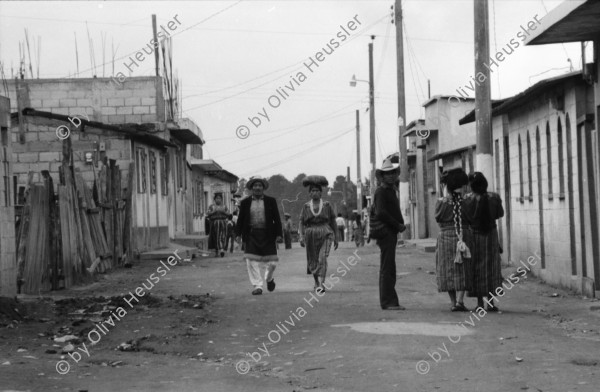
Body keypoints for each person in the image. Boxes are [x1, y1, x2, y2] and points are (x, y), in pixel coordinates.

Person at [464, 172, 505, 312]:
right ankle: (492, 302)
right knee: (492, 266)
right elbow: (500, 214)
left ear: (471, 186)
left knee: (476, 267)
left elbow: (465, 218)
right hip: (491, 234)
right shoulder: (494, 197)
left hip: (474, 235)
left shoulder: (467, 199)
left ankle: (480, 303)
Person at [235, 176, 283, 295]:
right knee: (251, 260)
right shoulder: (245, 202)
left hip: (268, 234)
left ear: (263, 188)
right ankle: (258, 285)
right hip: (251, 234)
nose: (257, 188)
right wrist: (237, 234)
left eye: (259, 185)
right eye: (255, 185)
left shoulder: (270, 201)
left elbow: (277, 219)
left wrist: (279, 234)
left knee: (272, 263)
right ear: (251, 188)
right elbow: (240, 219)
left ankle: (269, 279)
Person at [435, 167, 472, 312]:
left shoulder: (441, 203)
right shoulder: (467, 202)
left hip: (445, 237)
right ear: (462, 186)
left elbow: (437, 218)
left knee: (448, 269)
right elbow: (471, 218)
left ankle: (452, 302)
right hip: (463, 236)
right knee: (464, 268)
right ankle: (460, 301)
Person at [373, 158, 406, 310]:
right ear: (382, 176)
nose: (391, 176)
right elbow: (380, 213)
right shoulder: (381, 191)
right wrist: (397, 224)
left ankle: (390, 300)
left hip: (390, 232)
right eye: (388, 174)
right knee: (387, 268)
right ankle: (388, 301)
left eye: (393, 173)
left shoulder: (390, 190)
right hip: (386, 232)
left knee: (389, 267)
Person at [298, 175, 338, 292]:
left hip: (326, 232)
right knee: (313, 260)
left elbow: (333, 221)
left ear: (321, 193)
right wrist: (301, 236)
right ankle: (316, 282)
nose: (315, 193)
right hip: (311, 235)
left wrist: (336, 237)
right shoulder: (305, 207)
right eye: (312, 191)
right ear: (309, 193)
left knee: (322, 258)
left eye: (317, 191)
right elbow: (301, 222)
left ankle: (322, 283)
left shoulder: (326, 205)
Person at [206, 193, 229, 258]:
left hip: (223, 222)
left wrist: (223, 212)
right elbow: (207, 214)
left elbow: (228, 213)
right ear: (214, 199)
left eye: (219, 198)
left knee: (223, 236)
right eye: (217, 198)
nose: (218, 200)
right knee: (215, 237)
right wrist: (213, 212)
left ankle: (222, 249)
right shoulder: (211, 206)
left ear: (221, 199)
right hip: (215, 223)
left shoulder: (224, 206)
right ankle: (217, 251)